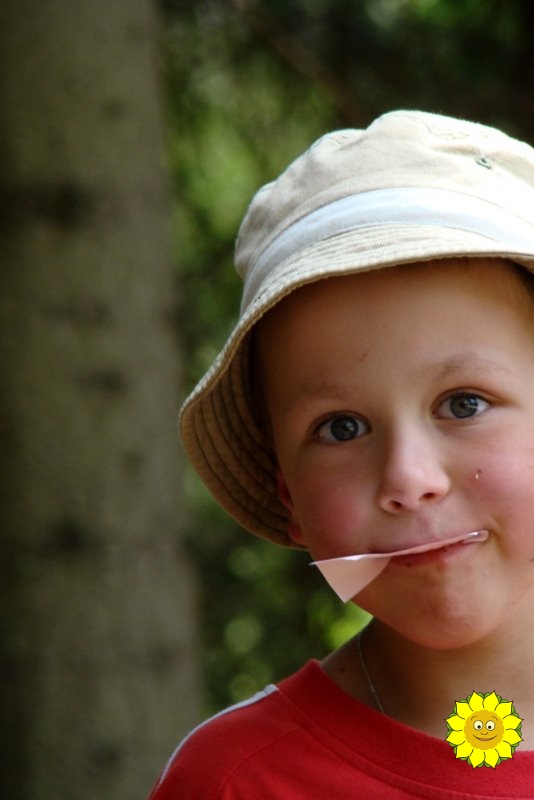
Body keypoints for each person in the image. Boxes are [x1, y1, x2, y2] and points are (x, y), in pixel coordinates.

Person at [150, 110, 534, 798]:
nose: (409, 479)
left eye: (464, 404)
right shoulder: (238, 781)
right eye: (342, 428)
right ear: (288, 494)